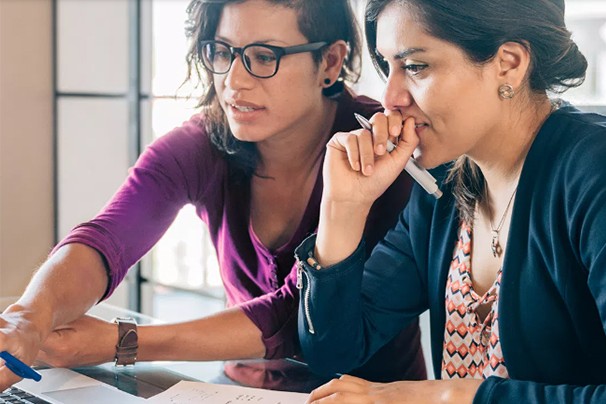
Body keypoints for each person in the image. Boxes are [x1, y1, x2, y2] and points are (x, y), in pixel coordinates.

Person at [0, 0, 427, 392]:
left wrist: (124, 341)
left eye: (264, 57)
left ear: (330, 61)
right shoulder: (203, 142)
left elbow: (294, 315)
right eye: (222, 52)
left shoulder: (381, 148)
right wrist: (27, 320)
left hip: (367, 393)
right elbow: (107, 238)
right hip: (233, 389)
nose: (234, 81)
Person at [295, 0, 606, 402]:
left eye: (416, 66)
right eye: (386, 66)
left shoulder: (593, 173)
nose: (390, 98)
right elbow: (332, 349)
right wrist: (343, 208)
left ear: (508, 64)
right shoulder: (442, 184)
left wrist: (446, 397)